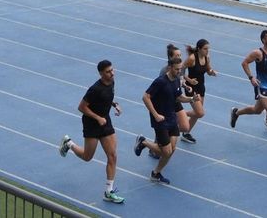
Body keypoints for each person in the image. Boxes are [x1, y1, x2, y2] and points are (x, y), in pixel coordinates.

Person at [59, 59, 125, 204]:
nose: (112, 73)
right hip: (92, 124)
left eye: (112, 70)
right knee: (87, 157)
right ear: (101, 74)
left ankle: (108, 191)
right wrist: (97, 118)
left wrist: (115, 105)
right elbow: (81, 107)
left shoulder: (111, 82)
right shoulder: (95, 89)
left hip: (105, 121)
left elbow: (107, 98)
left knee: (112, 156)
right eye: (108, 72)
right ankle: (69, 143)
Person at [134, 54, 191, 185]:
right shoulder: (160, 81)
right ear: (170, 67)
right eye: (177, 69)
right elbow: (145, 97)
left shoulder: (176, 80)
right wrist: (155, 115)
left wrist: (191, 99)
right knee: (166, 151)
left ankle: (156, 173)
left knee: (172, 149)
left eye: (180, 69)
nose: (179, 71)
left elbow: (179, 97)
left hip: (171, 118)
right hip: (160, 121)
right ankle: (143, 142)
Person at [180, 39, 217, 143]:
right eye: (205, 49)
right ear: (199, 49)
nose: (207, 51)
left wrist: (212, 72)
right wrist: (189, 80)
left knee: (197, 114)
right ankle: (179, 114)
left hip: (201, 87)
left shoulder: (206, 57)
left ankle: (186, 133)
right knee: (200, 113)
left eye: (208, 49)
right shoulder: (192, 58)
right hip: (191, 88)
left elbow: (208, 70)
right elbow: (181, 69)